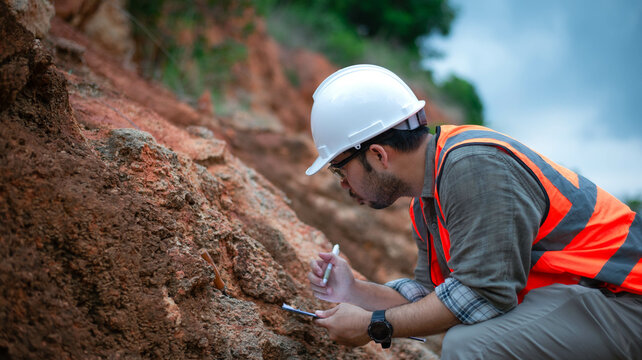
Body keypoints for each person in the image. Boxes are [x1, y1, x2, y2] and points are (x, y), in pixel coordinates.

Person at [305, 64, 642, 359]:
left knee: (471, 347)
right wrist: (356, 292)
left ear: (378, 155)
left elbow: (482, 295)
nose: (344, 185)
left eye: (340, 169)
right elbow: (435, 299)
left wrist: (372, 326)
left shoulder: (473, 168)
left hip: (626, 300)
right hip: (590, 299)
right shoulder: (429, 199)